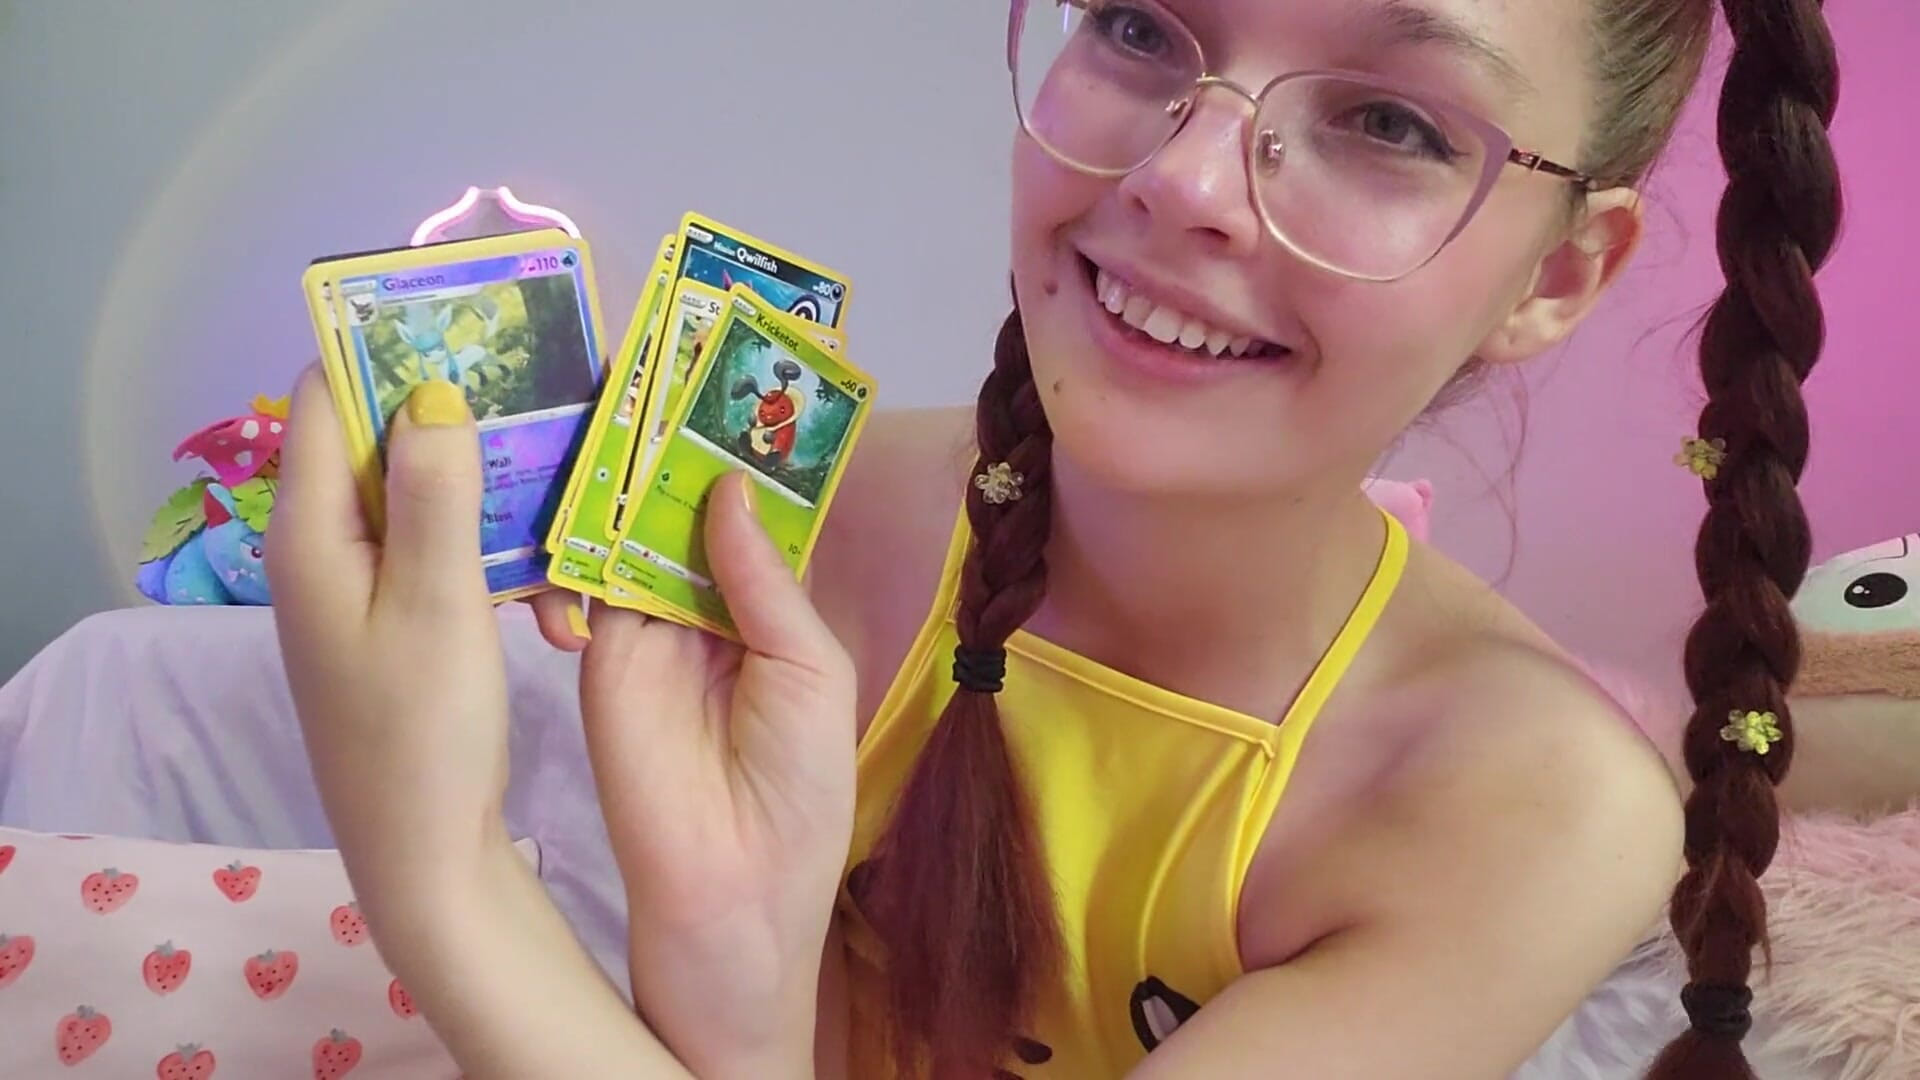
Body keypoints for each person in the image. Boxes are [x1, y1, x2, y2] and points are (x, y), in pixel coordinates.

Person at [267, 0, 1842, 1076]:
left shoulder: (1531, 815)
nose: (1180, 176)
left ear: (1558, 276)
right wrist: (733, 981)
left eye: (1387, 120)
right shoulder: (820, 514)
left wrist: (438, 869)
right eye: (1142, 25)